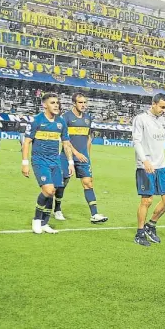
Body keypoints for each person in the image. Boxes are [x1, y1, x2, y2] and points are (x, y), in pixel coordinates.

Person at [21, 93, 73, 234]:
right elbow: (26, 142)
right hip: (39, 160)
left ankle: (45, 223)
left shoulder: (61, 122)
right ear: (44, 105)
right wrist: (25, 162)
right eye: (52, 102)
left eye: (57, 102)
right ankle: (37, 220)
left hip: (55, 161)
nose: (56, 105)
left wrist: (70, 162)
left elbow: (66, 143)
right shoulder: (36, 120)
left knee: (53, 191)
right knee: (48, 190)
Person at [55, 93, 108, 223]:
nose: (83, 105)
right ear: (74, 103)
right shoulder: (66, 117)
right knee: (62, 183)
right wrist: (76, 153)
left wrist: (87, 155)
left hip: (83, 158)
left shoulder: (88, 118)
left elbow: (89, 138)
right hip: (67, 157)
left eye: (85, 102)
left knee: (88, 183)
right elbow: (64, 140)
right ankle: (57, 209)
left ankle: (94, 214)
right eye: (80, 102)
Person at [132, 93, 165, 247]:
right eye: (162, 107)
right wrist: (145, 160)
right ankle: (140, 232)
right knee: (147, 200)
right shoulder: (141, 119)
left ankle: (151, 225)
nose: (164, 110)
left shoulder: (163, 120)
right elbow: (136, 141)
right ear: (153, 104)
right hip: (145, 166)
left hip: (161, 166)